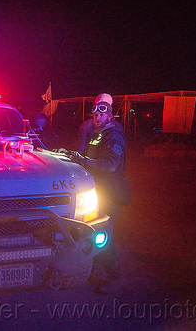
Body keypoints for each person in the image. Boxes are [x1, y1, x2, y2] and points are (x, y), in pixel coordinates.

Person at [65, 93, 131, 289]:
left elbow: (110, 165)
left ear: (109, 116)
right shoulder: (98, 134)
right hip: (99, 191)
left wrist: (83, 161)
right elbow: (86, 156)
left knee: (103, 234)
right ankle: (96, 267)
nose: (97, 118)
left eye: (101, 115)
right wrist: (72, 157)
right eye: (94, 115)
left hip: (111, 193)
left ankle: (114, 275)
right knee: (93, 230)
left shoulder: (114, 136)